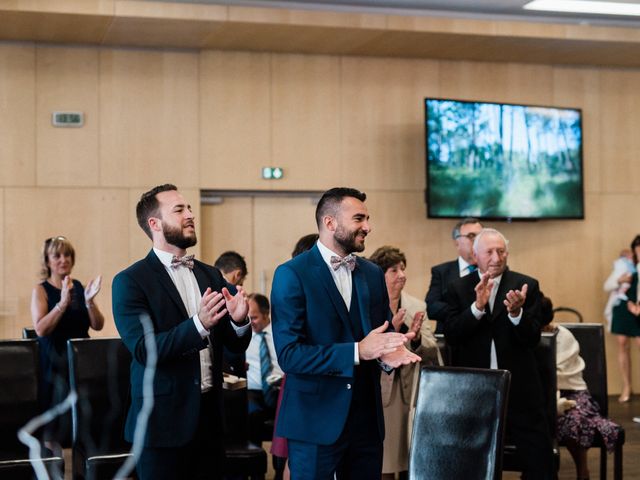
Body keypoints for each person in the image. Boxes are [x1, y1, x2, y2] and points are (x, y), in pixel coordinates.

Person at [270, 187, 421, 480]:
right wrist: (357, 351)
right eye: (359, 219)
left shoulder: (372, 273)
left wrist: (391, 352)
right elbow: (289, 356)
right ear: (330, 223)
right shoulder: (291, 274)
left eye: (368, 218)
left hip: (366, 421)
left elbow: (379, 334)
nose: (368, 227)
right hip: (314, 420)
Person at [112, 184, 251, 480]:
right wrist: (199, 325)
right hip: (162, 424)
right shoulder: (130, 281)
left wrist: (239, 321)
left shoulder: (210, 274)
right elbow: (144, 350)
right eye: (179, 210)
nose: (190, 215)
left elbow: (233, 344)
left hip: (209, 421)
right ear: (155, 224)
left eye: (189, 208)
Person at [444, 228, 553, 479]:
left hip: (521, 385)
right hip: (473, 389)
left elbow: (532, 338)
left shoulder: (526, 285)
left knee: (538, 459)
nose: (496, 257)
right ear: (475, 255)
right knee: (470, 458)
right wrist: (477, 308)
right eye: (489, 251)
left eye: (501, 251)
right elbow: (452, 335)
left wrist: (516, 314)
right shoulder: (459, 288)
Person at [369, 245, 441, 480]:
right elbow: (364, 346)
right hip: (380, 388)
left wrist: (416, 336)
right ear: (380, 274)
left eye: (403, 268)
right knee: (385, 459)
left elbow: (431, 348)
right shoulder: (368, 304)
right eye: (393, 270)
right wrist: (394, 332)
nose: (401, 274)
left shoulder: (417, 306)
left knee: (413, 454)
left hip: (411, 391)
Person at [30, 235, 105, 454]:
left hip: (80, 364)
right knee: (54, 428)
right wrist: (62, 304)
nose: (63, 260)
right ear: (47, 261)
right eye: (57, 255)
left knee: (85, 421)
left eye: (67, 255)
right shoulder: (41, 290)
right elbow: (41, 329)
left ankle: (83, 466)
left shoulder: (79, 286)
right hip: (53, 363)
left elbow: (98, 325)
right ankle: (55, 467)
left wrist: (90, 302)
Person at [540, 300, 620, 480]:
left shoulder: (564, 336)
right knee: (540, 419)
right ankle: (538, 471)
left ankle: (582, 470)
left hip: (572, 391)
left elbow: (559, 373)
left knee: (575, 419)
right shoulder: (526, 336)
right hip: (541, 393)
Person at [425, 217, 483, 333]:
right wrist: (469, 310)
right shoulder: (441, 272)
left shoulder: (492, 270)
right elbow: (431, 307)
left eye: (481, 236)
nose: (478, 241)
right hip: (451, 339)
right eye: (471, 236)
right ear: (457, 242)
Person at [245, 293, 283, 445]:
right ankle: (254, 460)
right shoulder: (243, 335)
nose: (250, 322)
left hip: (279, 389)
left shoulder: (281, 334)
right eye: (247, 318)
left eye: (254, 318)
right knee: (249, 411)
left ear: (266, 314)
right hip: (253, 392)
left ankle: (280, 465)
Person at [607, 235, 640, 403]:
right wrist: (619, 280)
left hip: (637, 308)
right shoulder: (625, 267)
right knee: (622, 344)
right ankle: (626, 386)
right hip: (623, 307)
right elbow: (608, 286)